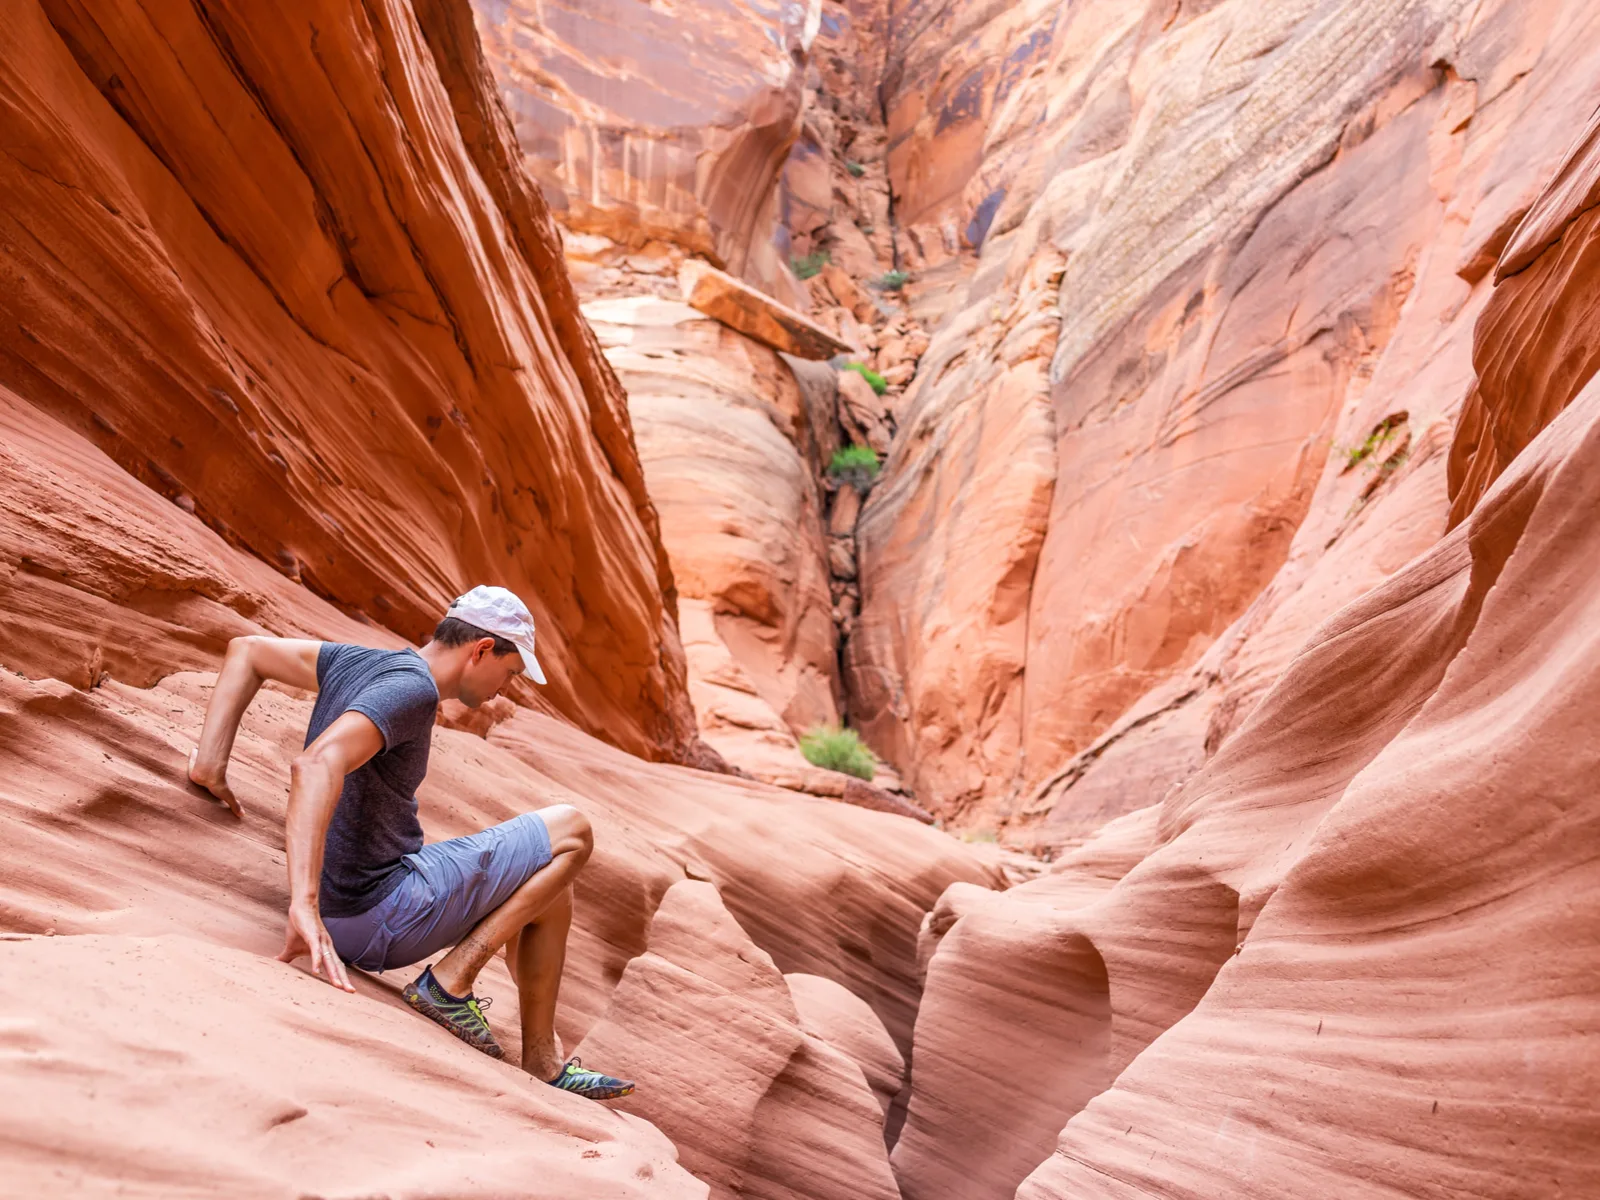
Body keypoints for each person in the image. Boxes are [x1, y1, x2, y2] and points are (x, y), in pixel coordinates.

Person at [185, 584, 633, 1101]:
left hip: (364, 902)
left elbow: (249, 650)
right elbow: (315, 763)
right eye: (510, 674)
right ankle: (450, 984)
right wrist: (302, 906)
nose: (504, 689)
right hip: (376, 912)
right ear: (481, 650)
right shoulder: (412, 691)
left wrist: (209, 763)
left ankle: (542, 1062)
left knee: (553, 883)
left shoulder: (358, 661)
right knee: (571, 828)